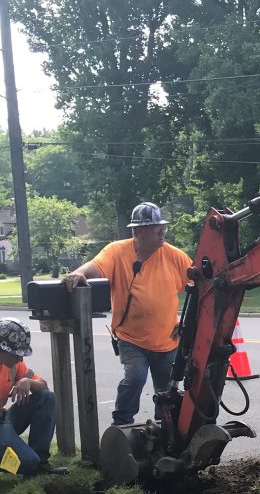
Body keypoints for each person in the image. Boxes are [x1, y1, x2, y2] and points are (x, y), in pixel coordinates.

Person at [64, 202, 192, 426]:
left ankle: (166, 432)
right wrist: (78, 273)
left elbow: (199, 288)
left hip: (167, 341)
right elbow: (95, 266)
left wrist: (186, 322)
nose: (162, 232)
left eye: (162, 227)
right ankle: (121, 424)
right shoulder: (117, 251)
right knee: (135, 377)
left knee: (167, 391)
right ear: (138, 231)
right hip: (131, 339)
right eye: (155, 228)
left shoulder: (175, 257)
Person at [0, 318, 57, 477]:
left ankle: (41, 463)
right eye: (17, 354)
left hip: (4, 419)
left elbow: (43, 386)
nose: (20, 359)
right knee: (28, 463)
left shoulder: (13, 365)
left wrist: (28, 381)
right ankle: (31, 464)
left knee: (46, 397)